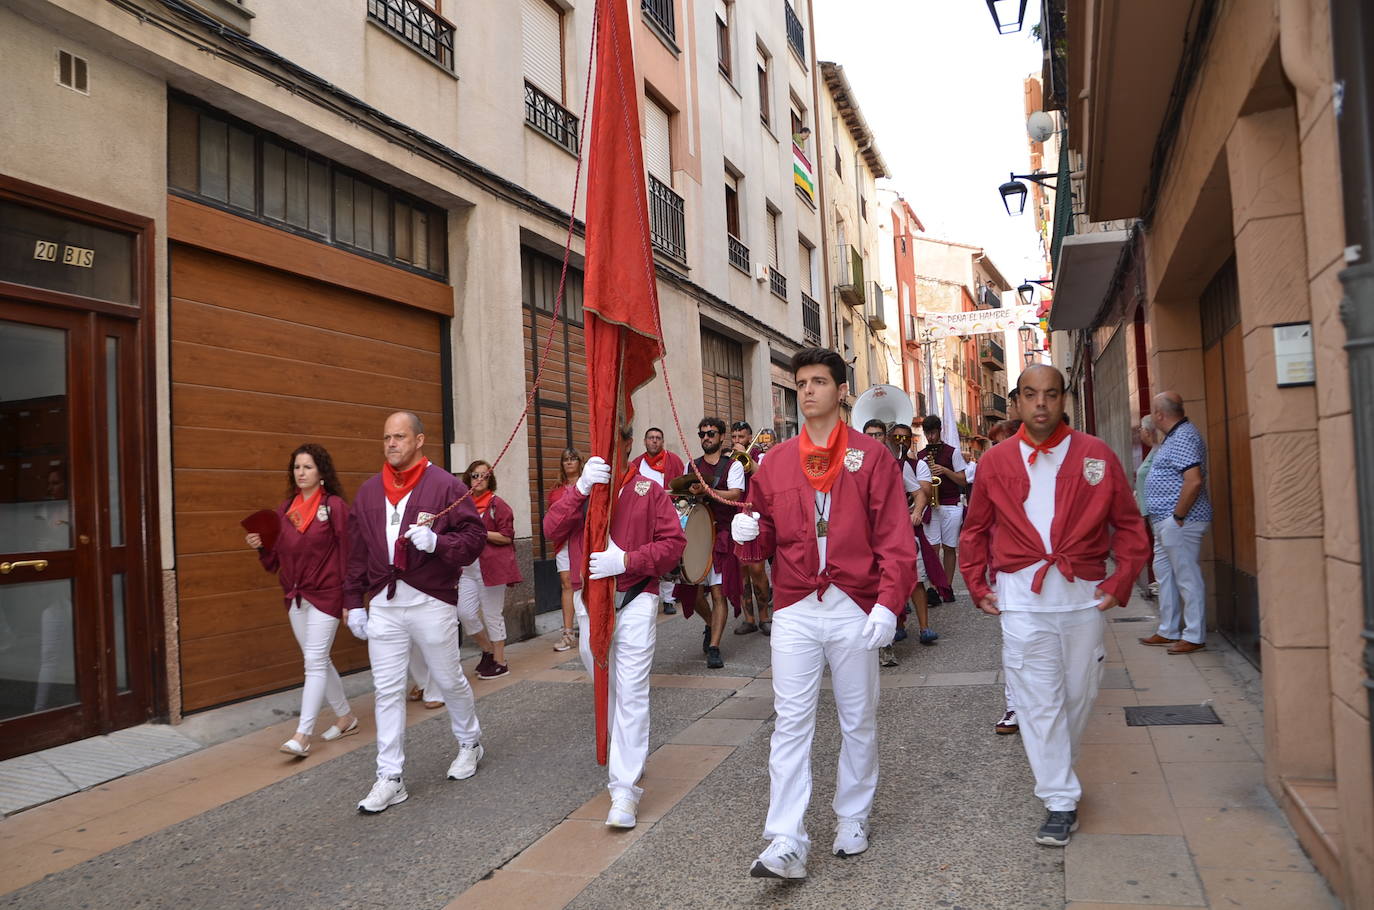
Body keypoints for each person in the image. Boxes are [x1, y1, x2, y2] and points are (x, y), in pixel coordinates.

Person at [731, 347, 917, 879]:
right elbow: (763, 534)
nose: (808, 390)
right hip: (794, 606)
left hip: (855, 606)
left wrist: (887, 603)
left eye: (819, 381)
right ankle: (786, 838)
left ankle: (852, 815)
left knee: (858, 719)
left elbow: (895, 539)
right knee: (790, 722)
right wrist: (748, 534)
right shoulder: (776, 461)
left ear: (841, 392)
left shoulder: (872, 457)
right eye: (802, 383)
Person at [959, 365, 1149, 847]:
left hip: (1082, 597)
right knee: (1037, 702)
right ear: (1017, 402)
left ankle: (1059, 772)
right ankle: (1060, 800)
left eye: (1050, 394)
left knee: (1077, 697)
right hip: (1021, 601)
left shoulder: (1096, 455)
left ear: (1063, 399)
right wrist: (977, 582)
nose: (1040, 403)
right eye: (1030, 395)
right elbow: (976, 528)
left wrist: (1122, 578)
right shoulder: (996, 461)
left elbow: (1128, 525)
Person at [544, 425, 687, 829]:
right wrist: (580, 490)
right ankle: (625, 755)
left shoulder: (649, 490)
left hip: (637, 597)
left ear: (627, 444)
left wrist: (627, 561)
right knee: (604, 685)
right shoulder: (582, 487)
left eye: (615, 441)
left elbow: (674, 544)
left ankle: (624, 788)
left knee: (632, 691)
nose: (607, 449)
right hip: (591, 601)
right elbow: (551, 530)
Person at [344, 411, 487, 814]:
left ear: (419, 440)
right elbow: (356, 552)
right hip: (385, 603)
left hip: (431, 599)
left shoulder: (445, 486)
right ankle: (390, 776)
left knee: (446, 678)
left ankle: (469, 742)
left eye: (400, 437)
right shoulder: (369, 492)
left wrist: (437, 543)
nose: (391, 444)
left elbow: (474, 538)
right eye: (387, 437)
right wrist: (354, 602)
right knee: (387, 690)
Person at [245, 444, 357, 757]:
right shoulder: (284, 511)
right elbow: (273, 561)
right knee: (318, 658)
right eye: (297, 467)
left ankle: (302, 735)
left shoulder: (334, 506)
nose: (301, 473)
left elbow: (349, 553)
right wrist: (260, 545)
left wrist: (351, 598)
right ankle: (346, 716)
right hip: (295, 596)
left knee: (314, 662)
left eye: (308, 467)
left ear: (321, 471)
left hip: (327, 593)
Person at [1140, 392, 1212, 654]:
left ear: (1160, 415)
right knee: (1166, 578)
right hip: (1166, 521)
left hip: (1181, 521)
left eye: (1152, 412)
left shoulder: (1184, 436)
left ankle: (1194, 635)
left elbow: (1193, 480)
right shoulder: (1174, 437)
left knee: (1186, 578)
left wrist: (1177, 517)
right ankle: (1168, 630)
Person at [459, 461, 523, 680]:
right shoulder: (462, 504)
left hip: (492, 569)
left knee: (492, 615)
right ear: (468, 478)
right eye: (474, 475)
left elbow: (507, 536)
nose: (478, 479)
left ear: (490, 479)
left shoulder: (498, 505)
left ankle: (500, 661)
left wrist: (481, 533)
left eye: (484, 476)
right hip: (467, 570)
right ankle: (487, 649)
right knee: (465, 613)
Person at [690, 417, 745, 669]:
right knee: (692, 594)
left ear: (721, 436)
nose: (706, 438)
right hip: (697, 538)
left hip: (722, 535)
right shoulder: (692, 465)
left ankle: (714, 646)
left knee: (717, 593)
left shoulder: (732, 466)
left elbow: (735, 494)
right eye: (702, 434)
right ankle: (711, 622)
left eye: (711, 433)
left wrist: (707, 492)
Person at [986, 417, 1023, 736]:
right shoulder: (995, 471)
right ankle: (1015, 705)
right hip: (1009, 572)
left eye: (999, 443)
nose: (996, 450)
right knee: (1013, 644)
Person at [628, 427, 685, 614]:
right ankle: (648, 592)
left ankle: (669, 599)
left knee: (667, 558)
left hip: (666, 516)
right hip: (644, 519)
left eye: (658, 438)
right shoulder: (636, 465)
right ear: (644, 442)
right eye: (651, 438)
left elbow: (681, 487)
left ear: (663, 441)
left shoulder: (674, 461)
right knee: (647, 554)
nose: (654, 441)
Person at [730, 420, 774, 636]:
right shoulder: (728, 458)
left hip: (758, 515)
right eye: (734, 437)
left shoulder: (759, 456)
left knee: (757, 568)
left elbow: (765, 478)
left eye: (741, 437)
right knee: (741, 570)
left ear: (749, 438)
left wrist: (744, 456)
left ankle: (765, 616)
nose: (737, 440)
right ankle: (749, 619)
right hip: (736, 516)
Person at [918, 415, 968, 593]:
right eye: (927, 433)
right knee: (932, 548)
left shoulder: (952, 452)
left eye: (933, 433)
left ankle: (947, 586)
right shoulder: (921, 455)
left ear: (940, 431)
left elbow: (963, 480)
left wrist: (945, 470)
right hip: (931, 507)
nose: (930, 437)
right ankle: (934, 586)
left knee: (949, 546)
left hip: (950, 504)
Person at [548, 449, 584, 651]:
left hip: (585, 540)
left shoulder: (589, 485)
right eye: (565, 460)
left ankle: (591, 627)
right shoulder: (556, 491)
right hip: (564, 541)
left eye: (573, 459)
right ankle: (568, 633)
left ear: (580, 462)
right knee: (566, 583)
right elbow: (554, 519)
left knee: (586, 582)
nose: (569, 463)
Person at [1132, 417, 1160, 602]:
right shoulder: (1153, 451)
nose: (1139, 431)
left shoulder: (1160, 452)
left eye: (1141, 428)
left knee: (1163, 557)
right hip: (1150, 514)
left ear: (1149, 431)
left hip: (1160, 514)